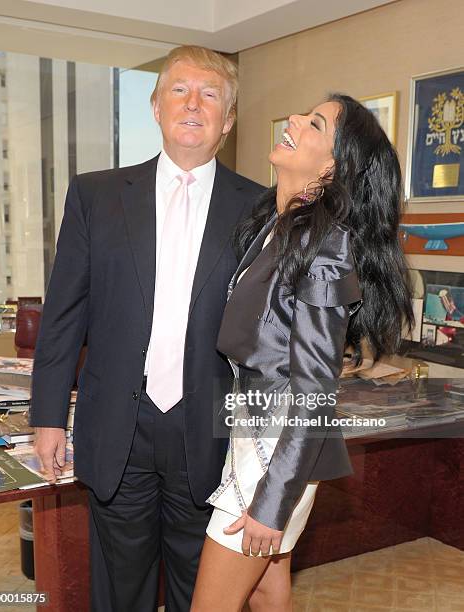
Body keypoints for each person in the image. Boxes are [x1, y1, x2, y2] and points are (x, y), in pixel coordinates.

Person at [30, 45, 264, 611]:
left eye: (210, 94)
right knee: (120, 588)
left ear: (227, 121)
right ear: (156, 107)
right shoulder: (96, 195)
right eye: (179, 90)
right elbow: (64, 314)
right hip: (118, 428)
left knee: (202, 590)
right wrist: (47, 416)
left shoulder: (261, 208)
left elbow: (267, 340)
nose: (193, 103)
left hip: (211, 431)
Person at [191, 93, 414, 611]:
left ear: (335, 166)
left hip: (276, 452)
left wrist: (273, 501)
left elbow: (315, 389)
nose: (292, 118)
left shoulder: (325, 244)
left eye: (314, 123)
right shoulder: (274, 227)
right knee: (268, 594)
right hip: (254, 439)